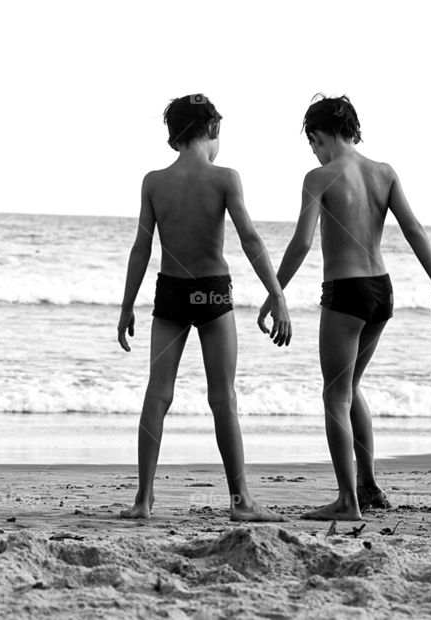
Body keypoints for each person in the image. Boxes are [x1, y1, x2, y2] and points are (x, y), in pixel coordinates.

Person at [257, 95, 431, 521]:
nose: (314, 152)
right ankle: (367, 486)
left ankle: (347, 501)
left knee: (334, 394)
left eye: (313, 143)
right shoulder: (384, 172)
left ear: (319, 135)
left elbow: (303, 242)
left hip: (345, 293)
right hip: (382, 292)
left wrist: (276, 291)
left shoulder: (319, 177)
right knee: (352, 388)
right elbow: (414, 229)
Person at [117, 93, 290, 521]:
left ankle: (143, 501)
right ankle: (241, 502)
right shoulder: (226, 178)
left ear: (173, 137)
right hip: (213, 294)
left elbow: (142, 248)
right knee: (223, 399)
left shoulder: (153, 182)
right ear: (212, 129)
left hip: (171, 295)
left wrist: (126, 307)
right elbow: (250, 239)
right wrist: (278, 295)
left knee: (157, 395)